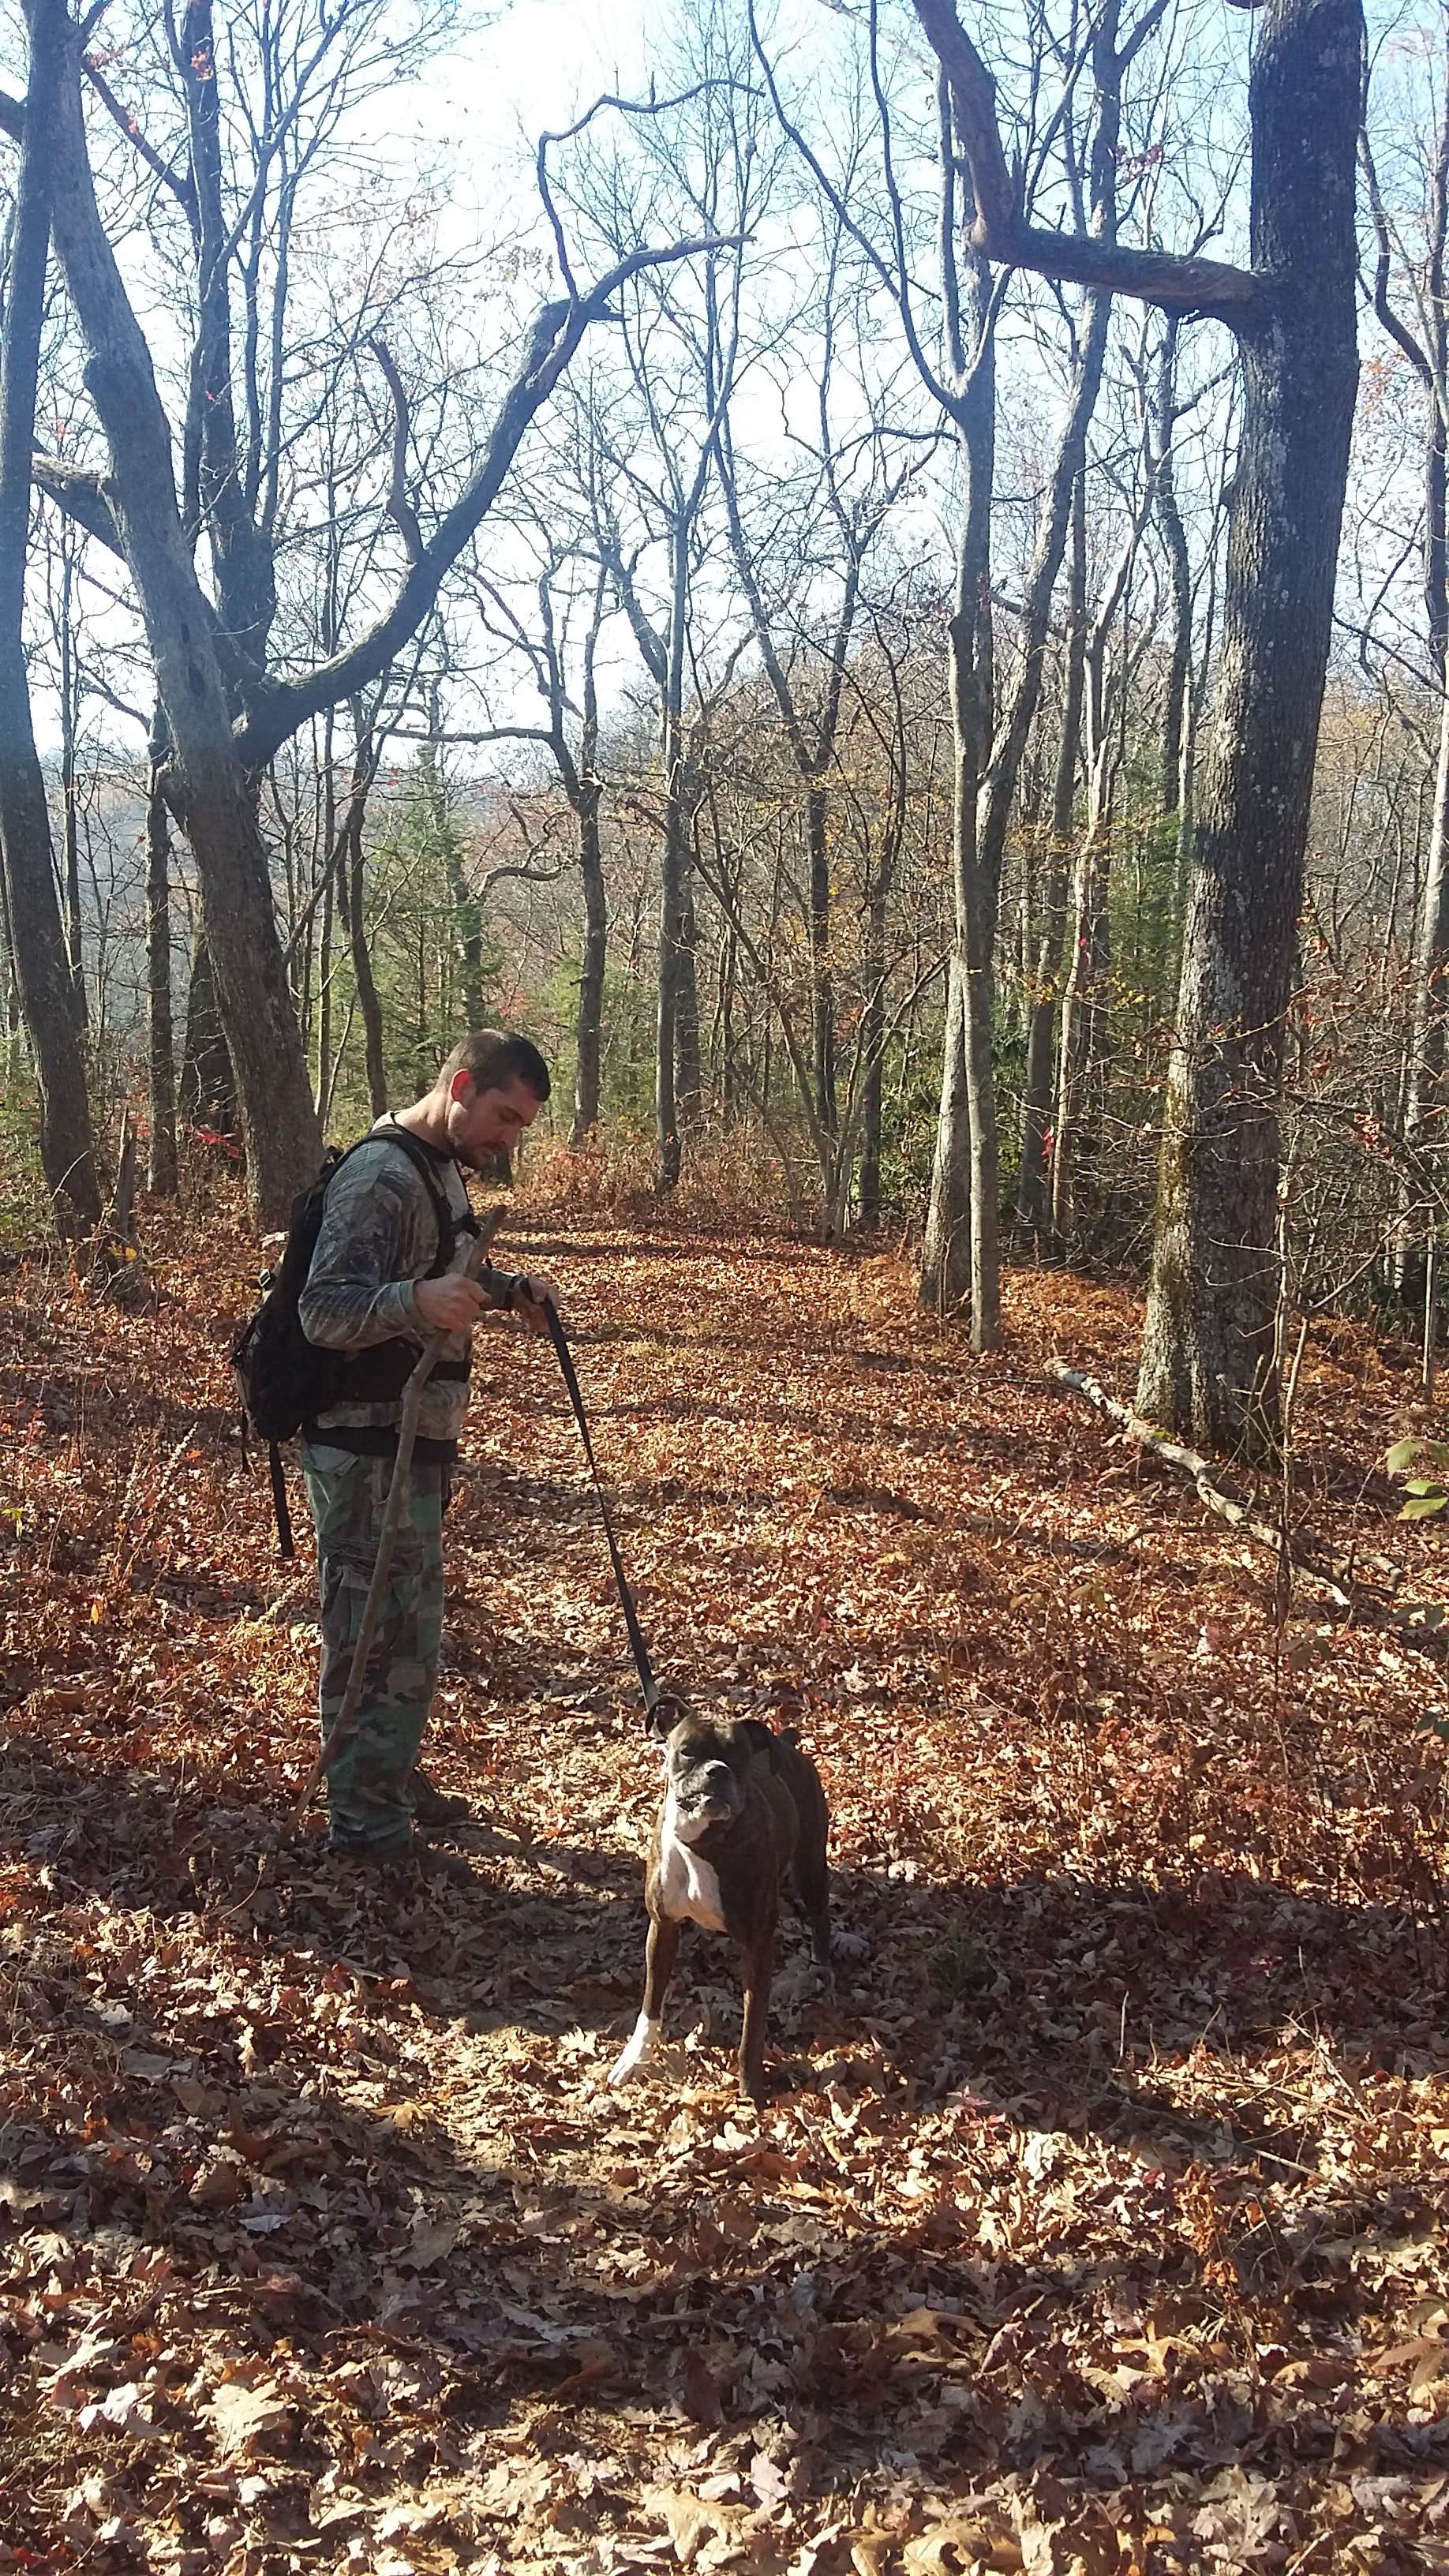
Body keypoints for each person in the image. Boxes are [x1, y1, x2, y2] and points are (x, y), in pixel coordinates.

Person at [298, 1031, 560, 1881]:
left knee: (410, 1635)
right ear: (459, 1086)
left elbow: (448, 1273)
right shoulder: (379, 1176)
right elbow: (323, 1311)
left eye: (519, 1127)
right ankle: (365, 1831)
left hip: (414, 1450)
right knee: (373, 1636)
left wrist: (510, 1292)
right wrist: (415, 1301)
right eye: (503, 1117)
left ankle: (388, 1780)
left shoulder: (440, 1167)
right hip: (364, 1450)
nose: (507, 1140)